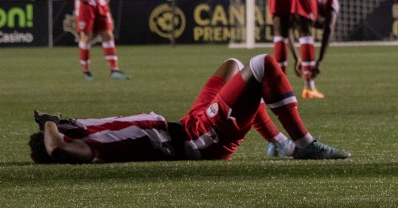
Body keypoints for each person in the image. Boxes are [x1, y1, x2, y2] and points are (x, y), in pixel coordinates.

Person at [29, 54, 349, 163]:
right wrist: (49, 124)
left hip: (186, 123)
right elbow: (56, 148)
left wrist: (57, 122)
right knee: (261, 65)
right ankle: (303, 146)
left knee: (233, 65)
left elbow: (62, 134)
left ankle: (278, 143)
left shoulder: (83, 128)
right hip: (198, 140)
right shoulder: (90, 148)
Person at [268, 0, 339, 99]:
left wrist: (297, 58)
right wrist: (319, 61)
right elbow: (329, 29)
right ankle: (309, 87)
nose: (315, 25)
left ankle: (278, 90)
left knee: (280, 33)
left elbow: (288, 30)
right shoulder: (332, 1)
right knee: (305, 31)